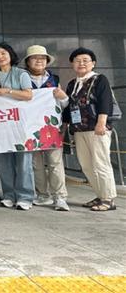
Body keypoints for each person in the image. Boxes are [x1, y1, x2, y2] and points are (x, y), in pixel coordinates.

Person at [60, 47, 118, 212]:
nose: (81, 63)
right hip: (79, 130)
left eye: (85, 60)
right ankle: (100, 195)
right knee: (86, 165)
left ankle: (108, 199)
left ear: (93, 63)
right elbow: (69, 108)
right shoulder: (73, 84)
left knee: (101, 163)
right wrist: (64, 127)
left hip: (97, 128)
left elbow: (105, 101)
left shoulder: (100, 79)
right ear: (72, 64)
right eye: (77, 61)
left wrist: (101, 122)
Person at [0, 42, 34, 210]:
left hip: (20, 124)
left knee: (23, 162)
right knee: (3, 163)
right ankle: (8, 195)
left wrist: (8, 91)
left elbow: (28, 95)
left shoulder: (21, 74)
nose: (0, 57)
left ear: (10, 55)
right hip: (0, 126)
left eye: (3, 53)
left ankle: (25, 197)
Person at [23, 45, 69, 211]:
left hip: (52, 127)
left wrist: (63, 98)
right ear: (28, 62)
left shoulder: (55, 79)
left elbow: (64, 104)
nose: (39, 61)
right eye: (35, 58)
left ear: (47, 61)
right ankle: (42, 195)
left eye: (42, 58)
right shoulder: (22, 79)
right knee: (36, 164)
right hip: (30, 128)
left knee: (55, 163)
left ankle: (60, 197)